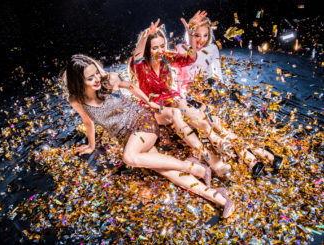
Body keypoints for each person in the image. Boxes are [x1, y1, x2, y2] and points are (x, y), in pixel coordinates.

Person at [61, 54, 235, 218]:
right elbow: (87, 122)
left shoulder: (110, 80)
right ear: (78, 82)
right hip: (128, 139)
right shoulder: (76, 100)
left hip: (142, 122)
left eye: (96, 73)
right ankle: (218, 197)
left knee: (129, 157)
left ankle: (194, 167)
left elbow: (131, 86)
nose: (97, 79)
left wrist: (148, 101)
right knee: (166, 171)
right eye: (90, 78)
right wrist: (91, 146)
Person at [175, 11, 283, 177]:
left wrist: (209, 96)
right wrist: (190, 100)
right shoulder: (180, 50)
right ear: (189, 34)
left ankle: (253, 157)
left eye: (205, 35)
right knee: (217, 128)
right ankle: (260, 154)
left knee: (221, 126)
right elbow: (175, 81)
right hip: (187, 101)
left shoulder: (211, 49)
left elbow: (217, 76)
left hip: (207, 95)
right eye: (196, 35)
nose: (201, 40)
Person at [130, 19, 232, 177]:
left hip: (170, 98)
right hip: (153, 107)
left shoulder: (165, 57)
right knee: (176, 113)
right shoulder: (140, 64)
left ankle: (215, 139)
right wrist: (144, 38)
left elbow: (190, 58)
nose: (159, 51)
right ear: (147, 48)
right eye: (154, 47)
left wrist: (191, 33)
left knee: (183, 103)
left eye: (162, 46)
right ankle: (211, 160)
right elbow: (137, 55)